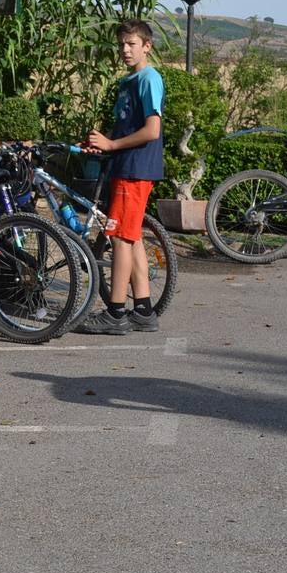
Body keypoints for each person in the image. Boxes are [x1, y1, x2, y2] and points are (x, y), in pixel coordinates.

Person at [78, 18, 164, 335]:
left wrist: (113, 144)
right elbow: (127, 127)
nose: (125, 50)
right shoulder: (129, 81)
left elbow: (151, 130)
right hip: (125, 167)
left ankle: (115, 313)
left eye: (132, 44)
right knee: (132, 237)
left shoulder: (148, 79)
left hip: (135, 170)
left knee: (119, 238)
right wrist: (102, 146)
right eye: (122, 44)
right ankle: (142, 310)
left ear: (146, 46)